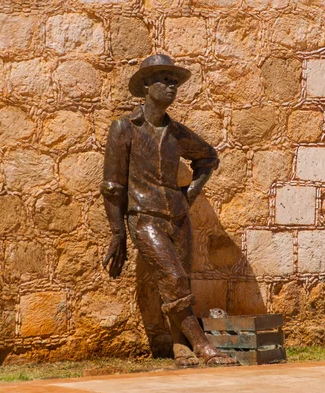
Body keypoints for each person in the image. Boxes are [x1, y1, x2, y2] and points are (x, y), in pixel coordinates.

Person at [101, 54, 238, 367]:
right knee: (174, 277)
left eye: (175, 81)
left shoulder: (177, 133)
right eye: (165, 79)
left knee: (180, 282)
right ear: (147, 85)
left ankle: (180, 348)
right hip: (144, 218)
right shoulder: (125, 128)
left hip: (178, 218)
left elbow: (208, 159)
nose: (172, 86)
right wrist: (117, 232)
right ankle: (203, 346)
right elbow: (112, 186)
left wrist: (189, 192)